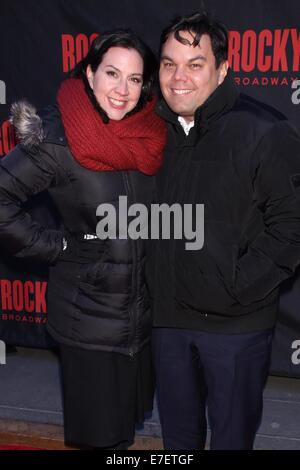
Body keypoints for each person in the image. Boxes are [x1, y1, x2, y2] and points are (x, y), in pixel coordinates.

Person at [0, 29, 166, 449]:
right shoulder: (59, 139)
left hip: (140, 320)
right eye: (112, 73)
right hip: (88, 320)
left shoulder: (152, 133)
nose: (122, 90)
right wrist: (60, 247)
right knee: (100, 439)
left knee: (124, 432)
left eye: (133, 79)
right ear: (90, 74)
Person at [150, 12, 300, 450]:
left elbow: (292, 224)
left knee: (232, 442)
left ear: (223, 69)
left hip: (235, 329)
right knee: (178, 445)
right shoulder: (148, 130)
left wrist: (238, 287)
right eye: (168, 63)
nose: (179, 77)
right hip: (166, 324)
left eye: (195, 64)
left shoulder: (264, 130)